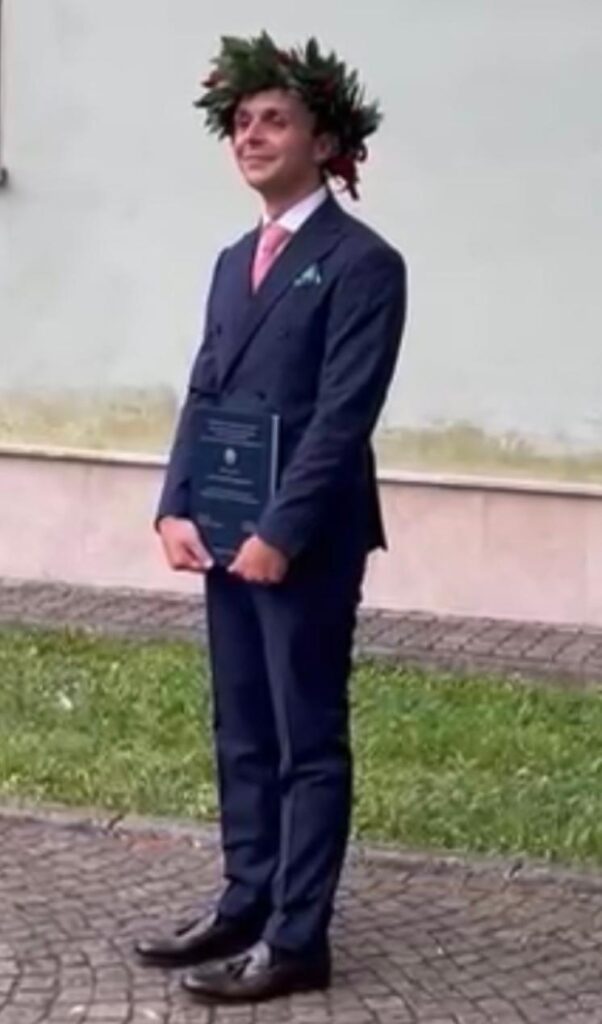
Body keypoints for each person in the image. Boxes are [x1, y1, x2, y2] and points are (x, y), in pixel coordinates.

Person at [135, 32, 407, 1005]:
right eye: (241, 122)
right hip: (223, 531)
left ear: (324, 141)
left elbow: (342, 416)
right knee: (241, 726)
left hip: (305, 541)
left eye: (274, 121)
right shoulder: (230, 262)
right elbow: (205, 389)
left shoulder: (363, 264)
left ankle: (297, 939)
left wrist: (280, 533)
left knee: (304, 735)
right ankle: (246, 897)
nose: (250, 136)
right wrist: (175, 503)